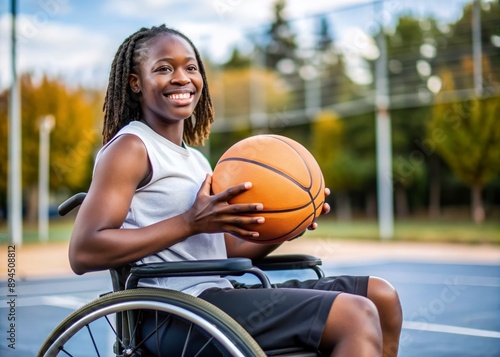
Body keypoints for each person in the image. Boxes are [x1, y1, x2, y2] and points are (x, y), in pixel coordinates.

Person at [69, 24, 402, 357]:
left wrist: (285, 227)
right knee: (355, 317)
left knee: (381, 297)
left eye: (191, 67)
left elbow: (221, 252)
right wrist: (189, 222)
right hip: (176, 315)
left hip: (219, 297)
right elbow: (84, 251)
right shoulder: (130, 148)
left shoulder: (195, 159)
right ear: (135, 83)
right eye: (163, 68)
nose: (182, 78)